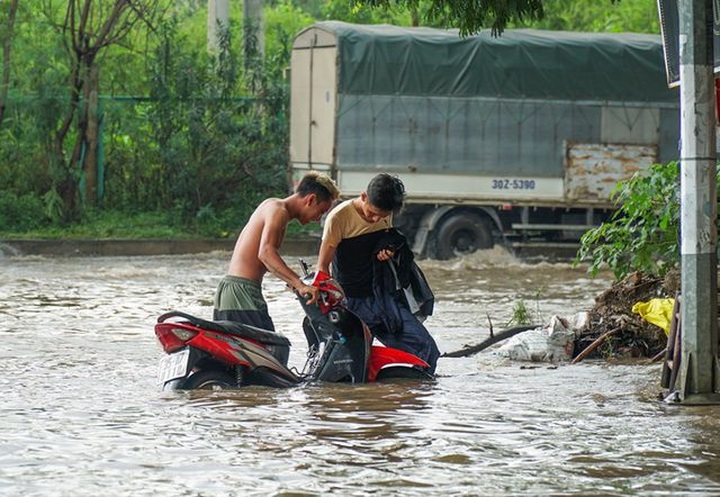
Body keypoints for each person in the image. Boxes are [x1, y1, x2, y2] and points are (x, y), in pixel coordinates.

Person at [317, 173, 440, 373]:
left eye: (381, 216)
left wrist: (388, 248)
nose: (375, 219)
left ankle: (412, 398)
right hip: (351, 303)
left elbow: (387, 239)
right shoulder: (338, 217)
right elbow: (322, 267)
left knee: (425, 349)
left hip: (383, 300)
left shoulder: (385, 212)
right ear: (363, 196)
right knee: (350, 367)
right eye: (371, 213)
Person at [213, 171, 341, 330]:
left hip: (236, 291)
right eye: (321, 212)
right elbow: (266, 253)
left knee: (261, 350)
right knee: (271, 350)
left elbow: (265, 259)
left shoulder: (274, 206)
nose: (317, 219)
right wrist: (299, 284)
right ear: (311, 199)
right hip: (241, 293)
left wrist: (293, 283)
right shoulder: (279, 211)